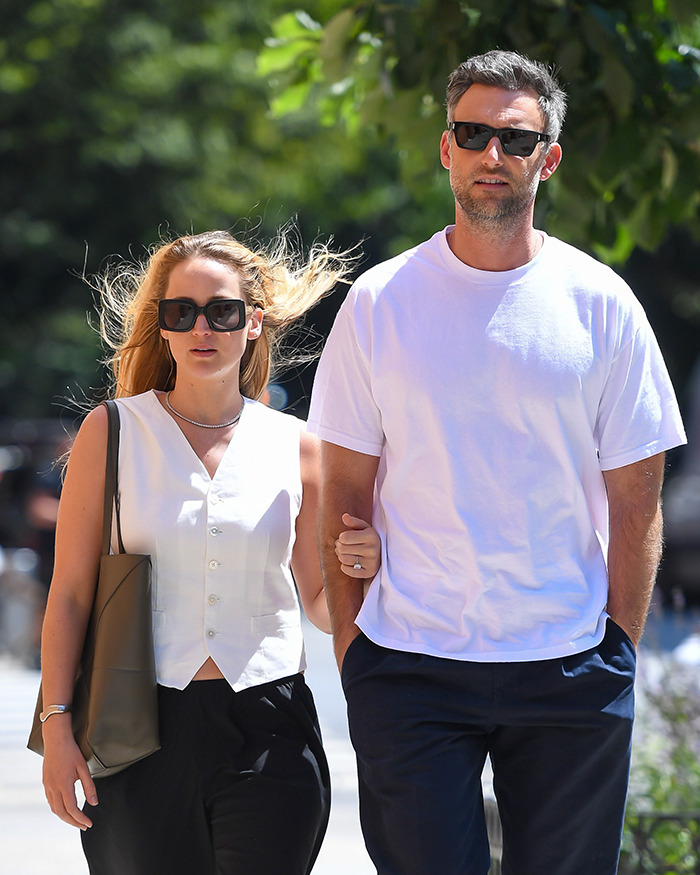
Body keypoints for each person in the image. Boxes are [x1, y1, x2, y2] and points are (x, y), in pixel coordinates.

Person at [308, 49, 687, 875]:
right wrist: (354, 653)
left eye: (515, 140)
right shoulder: (379, 301)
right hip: (410, 667)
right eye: (473, 134)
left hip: (568, 668)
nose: (492, 155)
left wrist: (614, 650)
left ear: (547, 158)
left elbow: (637, 502)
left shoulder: (602, 303)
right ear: (445, 147)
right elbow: (341, 490)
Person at [38, 229, 381, 875]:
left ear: (252, 322)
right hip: (139, 724)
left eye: (222, 311)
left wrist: (358, 567)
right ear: (161, 326)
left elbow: (320, 602)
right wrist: (57, 725)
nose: (202, 327)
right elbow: (71, 594)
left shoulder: (297, 444)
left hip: (272, 723)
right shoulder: (110, 431)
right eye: (181, 311)